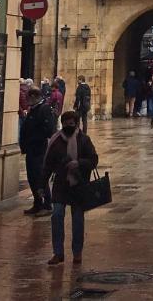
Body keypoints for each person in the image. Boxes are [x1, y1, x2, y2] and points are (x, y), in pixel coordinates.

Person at [43, 110, 98, 266]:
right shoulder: (55, 141)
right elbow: (47, 164)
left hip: (79, 185)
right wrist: (42, 184)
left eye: (71, 123)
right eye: (65, 123)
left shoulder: (84, 140)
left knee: (78, 220)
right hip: (61, 184)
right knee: (57, 215)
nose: (68, 126)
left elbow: (93, 160)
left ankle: (77, 252)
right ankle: (58, 252)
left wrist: (79, 163)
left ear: (76, 124)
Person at [19, 86, 55, 216]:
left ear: (34, 97)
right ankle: (37, 202)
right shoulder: (33, 110)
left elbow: (49, 129)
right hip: (31, 149)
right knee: (32, 177)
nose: (27, 100)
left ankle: (47, 203)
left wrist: (35, 138)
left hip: (39, 149)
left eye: (28, 97)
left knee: (40, 177)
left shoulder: (43, 109)